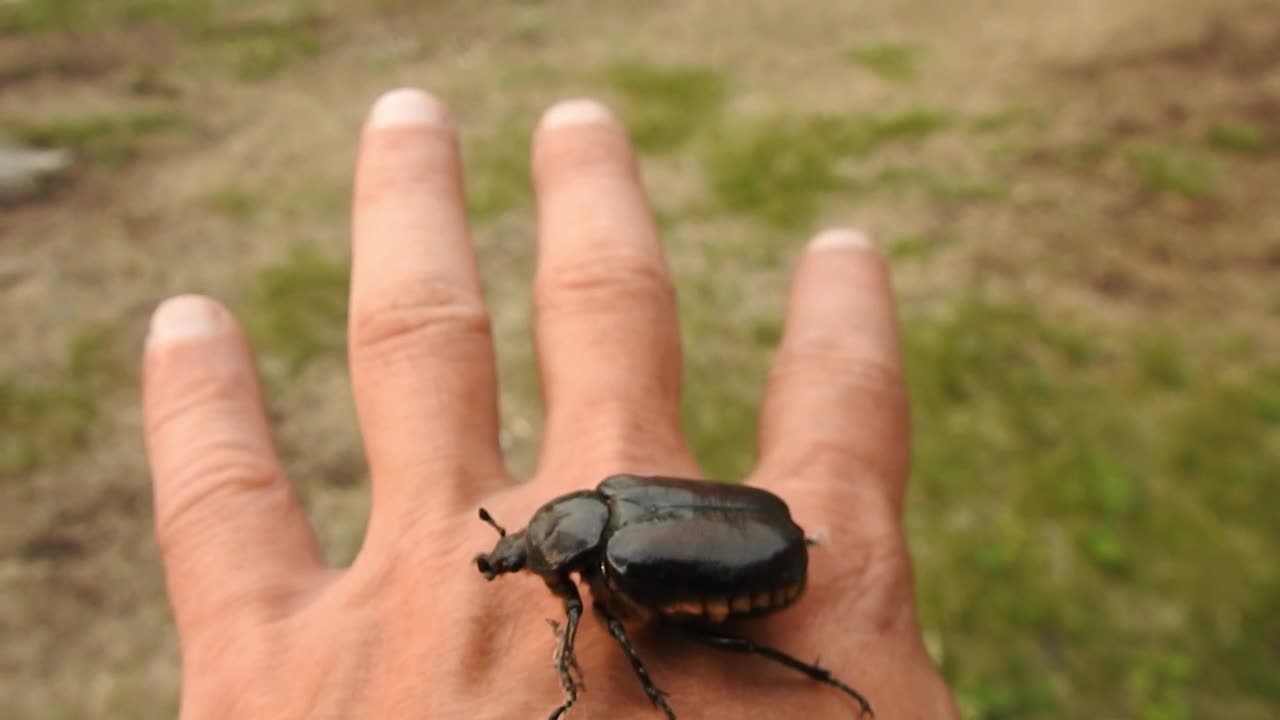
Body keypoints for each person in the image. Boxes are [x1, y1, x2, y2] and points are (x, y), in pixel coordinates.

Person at [140, 88, 961, 719]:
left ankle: (818, 679)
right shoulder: (612, 506)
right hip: (764, 533)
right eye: (527, 549)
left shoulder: (619, 567)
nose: (524, 560)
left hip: (767, 577)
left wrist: (609, 697)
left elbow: (623, 655)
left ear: (566, 552)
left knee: (709, 642)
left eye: (529, 553)